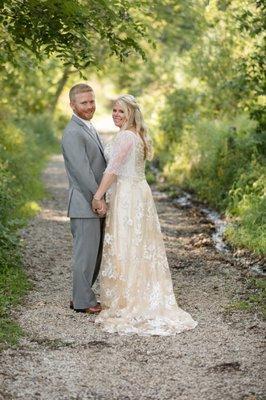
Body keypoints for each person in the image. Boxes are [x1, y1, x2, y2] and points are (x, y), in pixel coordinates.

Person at [93, 94, 198, 335]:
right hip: (137, 192)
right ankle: (133, 291)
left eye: (121, 111)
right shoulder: (135, 135)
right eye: (114, 111)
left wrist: (98, 195)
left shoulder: (127, 137)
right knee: (138, 244)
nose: (116, 115)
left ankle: (130, 298)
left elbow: (112, 170)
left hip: (129, 196)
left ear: (131, 114)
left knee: (127, 243)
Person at [61, 83, 107, 314]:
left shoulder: (88, 127)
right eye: (84, 103)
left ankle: (81, 295)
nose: (89, 106)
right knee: (85, 255)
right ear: (72, 105)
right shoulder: (72, 133)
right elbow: (82, 171)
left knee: (94, 254)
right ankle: (83, 302)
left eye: (91, 101)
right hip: (84, 203)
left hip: (92, 201)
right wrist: (98, 197)